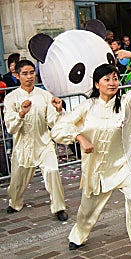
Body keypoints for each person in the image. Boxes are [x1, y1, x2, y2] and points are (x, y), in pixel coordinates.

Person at [50, 50, 131, 258]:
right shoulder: (87, 107)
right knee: (87, 209)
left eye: (115, 78)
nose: (112, 82)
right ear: (96, 84)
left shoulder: (127, 104)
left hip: (123, 165)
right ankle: (78, 235)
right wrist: (79, 138)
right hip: (97, 168)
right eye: (106, 79)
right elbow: (59, 129)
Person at [3, 60, 68, 221]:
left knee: (52, 172)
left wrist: (59, 109)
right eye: (25, 73)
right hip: (22, 146)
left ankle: (59, 207)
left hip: (44, 143)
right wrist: (21, 114)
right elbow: (10, 127)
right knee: (17, 181)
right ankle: (15, 202)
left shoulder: (44, 95)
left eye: (32, 72)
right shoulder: (11, 98)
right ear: (17, 76)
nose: (29, 76)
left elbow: (53, 122)